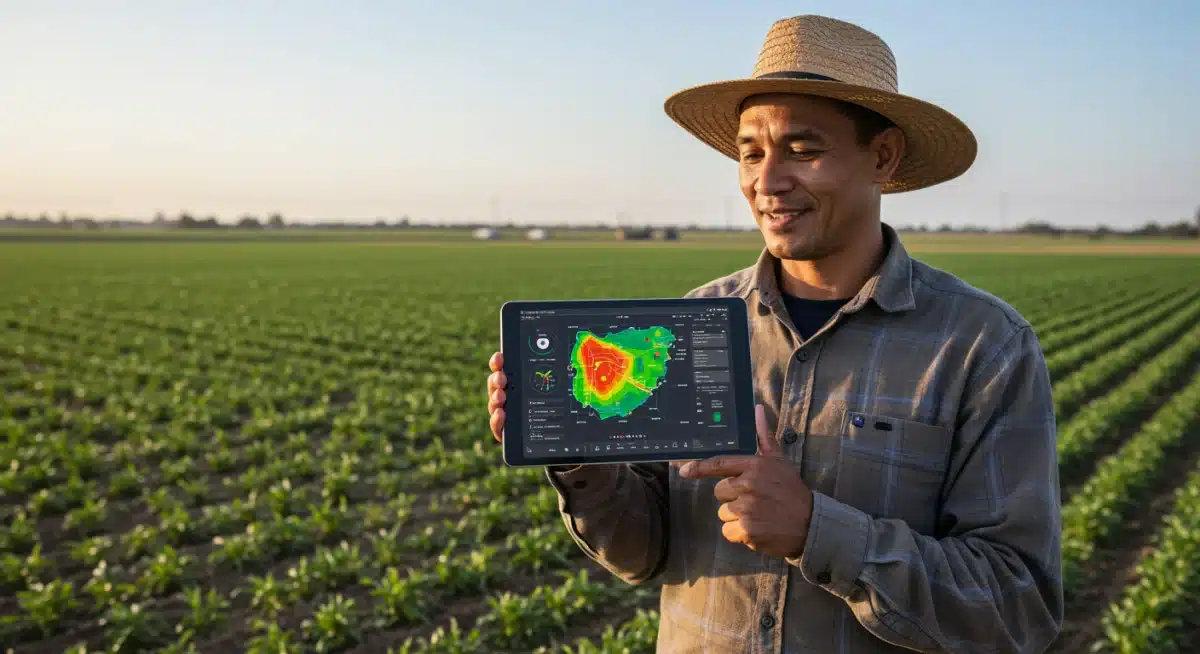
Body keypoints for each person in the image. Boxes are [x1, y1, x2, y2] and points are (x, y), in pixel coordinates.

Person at [486, 14, 1062, 654]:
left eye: (803, 150)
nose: (768, 181)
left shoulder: (982, 346)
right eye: (751, 152)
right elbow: (642, 555)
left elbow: (1019, 607)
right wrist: (582, 454)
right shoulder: (693, 325)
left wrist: (817, 531)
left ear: (883, 156)